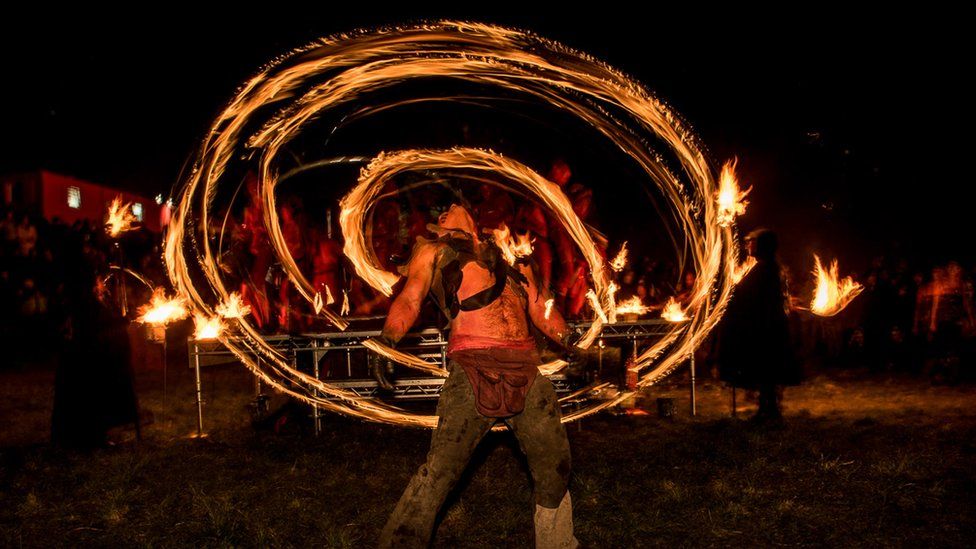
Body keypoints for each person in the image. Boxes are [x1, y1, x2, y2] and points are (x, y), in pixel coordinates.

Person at [374, 203, 581, 548]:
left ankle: (558, 544)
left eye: (450, 206)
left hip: (526, 370)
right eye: (440, 214)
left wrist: (573, 344)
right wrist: (387, 341)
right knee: (440, 471)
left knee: (555, 466)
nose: (447, 209)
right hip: (472, 369)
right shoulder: (434, 250)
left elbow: (541, 307)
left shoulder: (510, 248)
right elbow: (410, 299)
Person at [718, 228, 799, 422]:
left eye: (752, 242)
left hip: (766, 330)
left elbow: (751, 296)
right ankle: (767, 409)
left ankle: (769, 411)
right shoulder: (767, 267)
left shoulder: (766, 269)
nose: (748, 245)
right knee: (765, 371)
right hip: (765, 327)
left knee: (767, 370)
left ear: (763, 245)